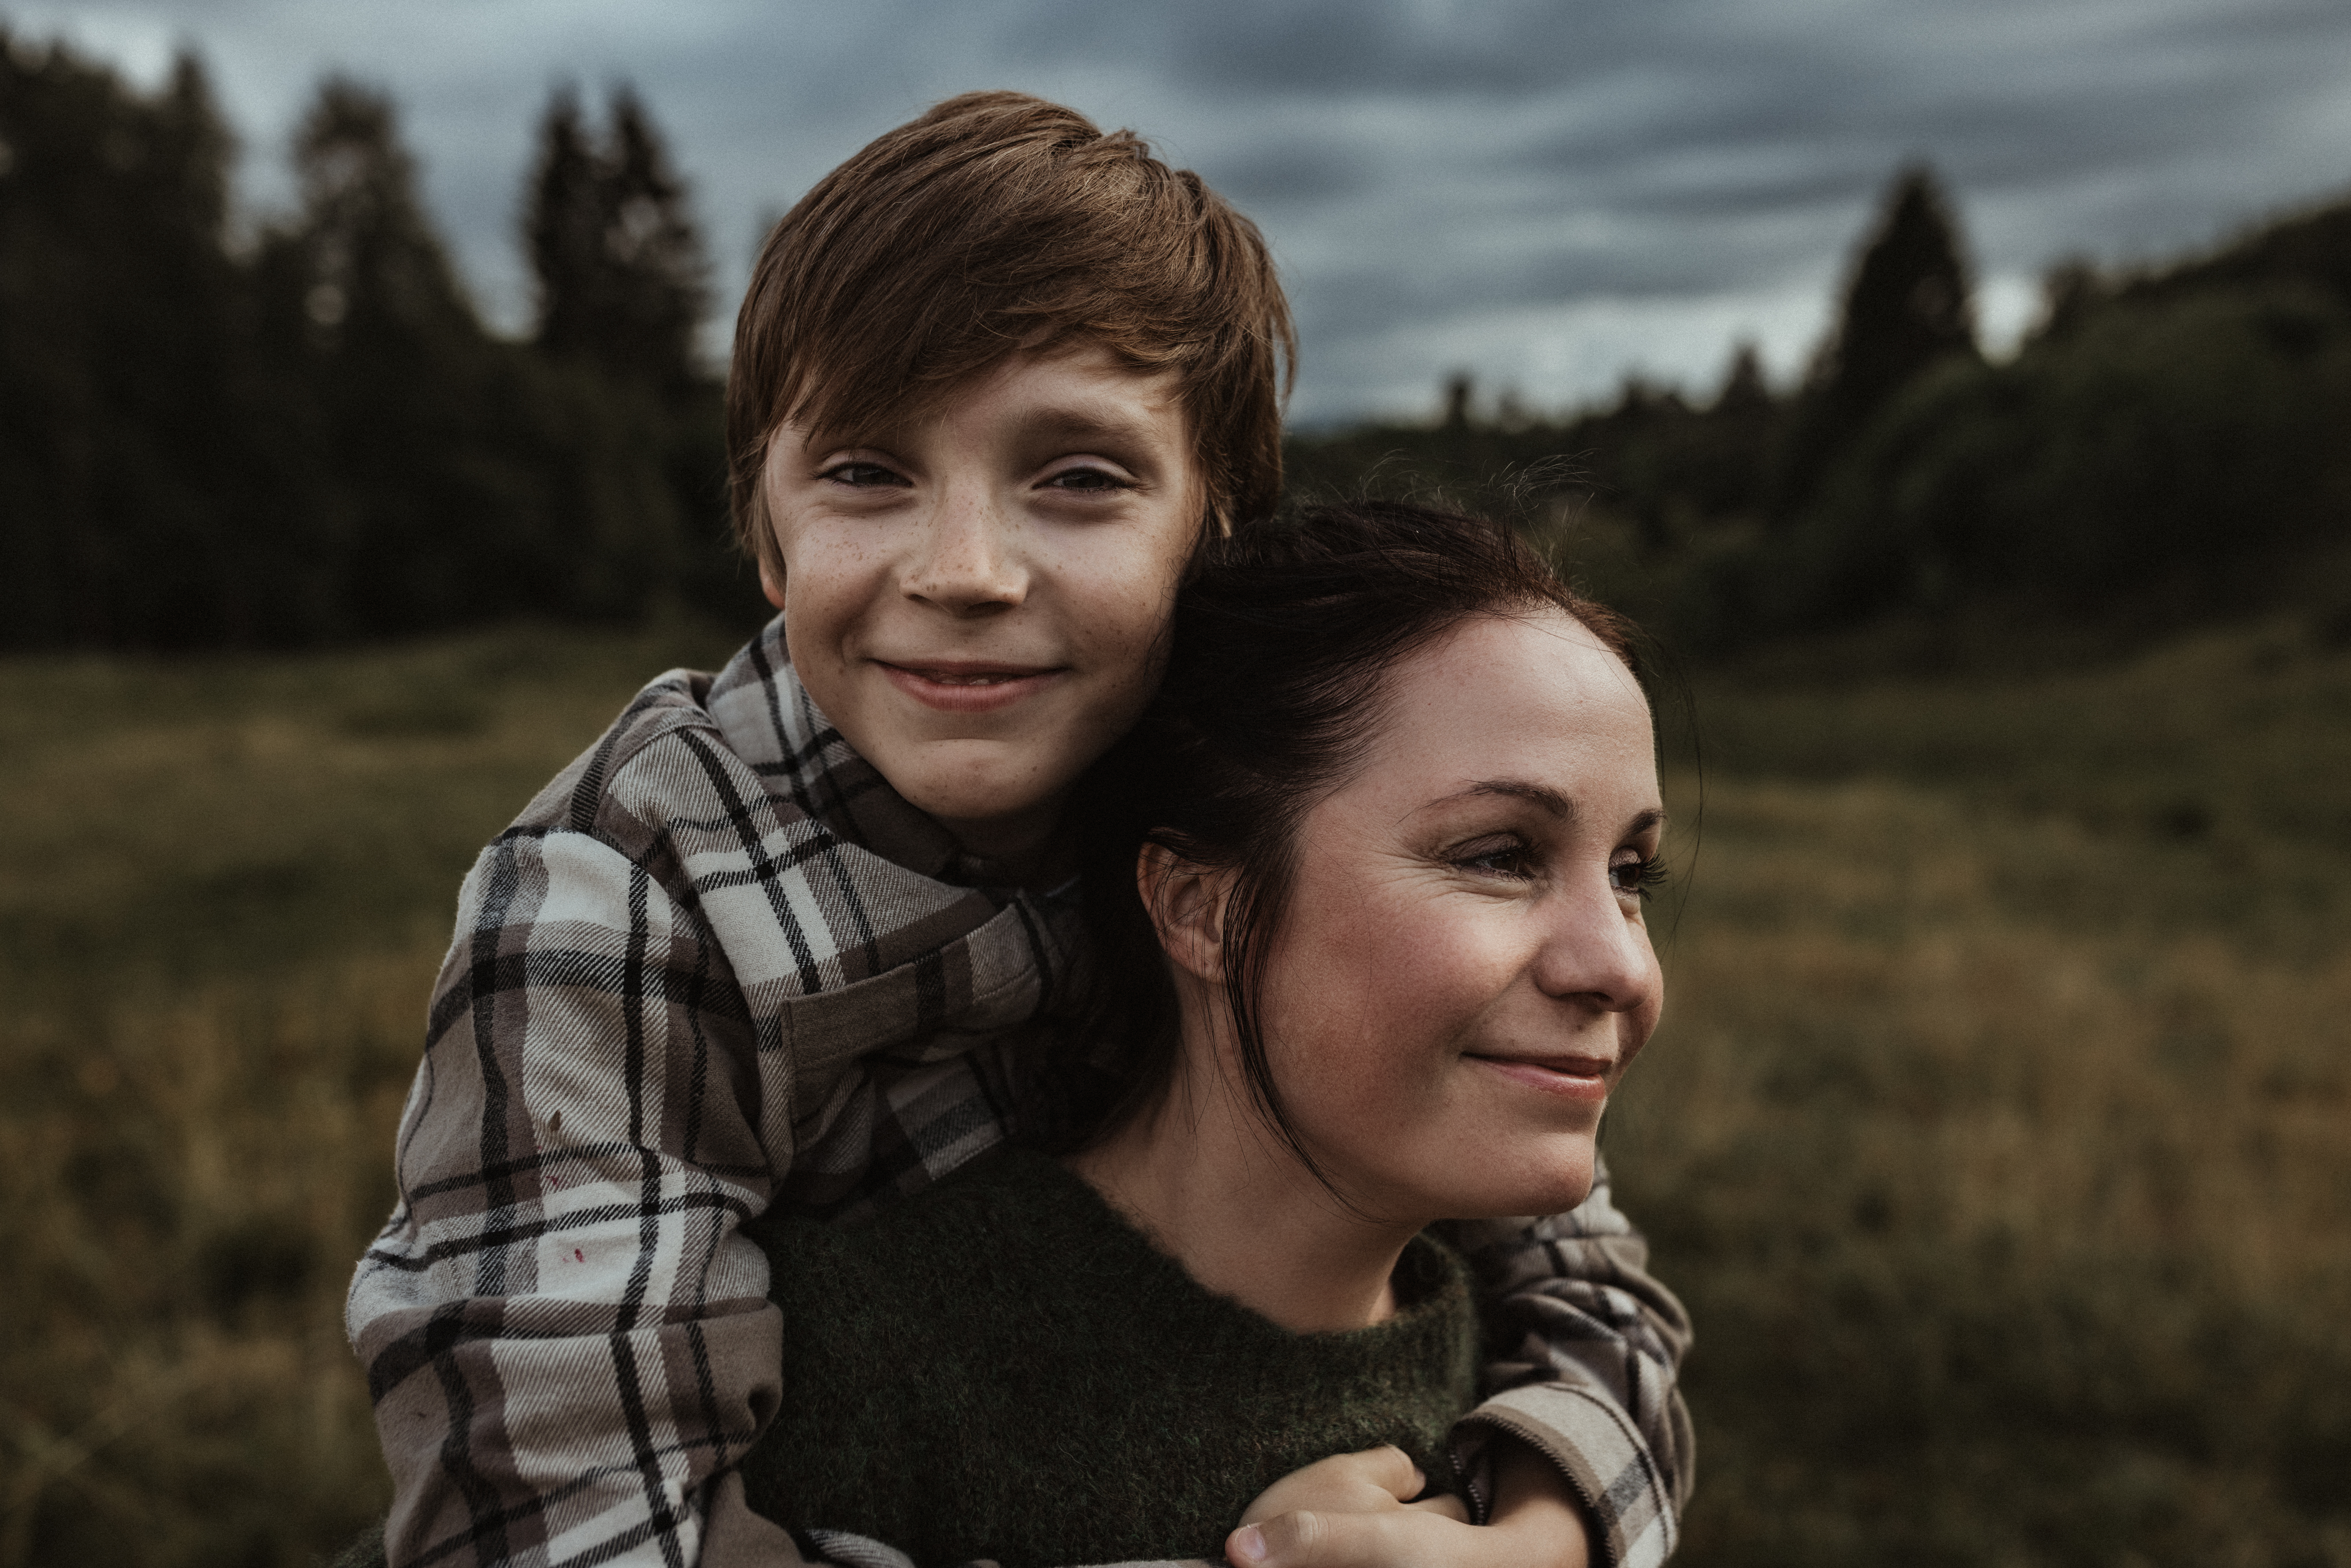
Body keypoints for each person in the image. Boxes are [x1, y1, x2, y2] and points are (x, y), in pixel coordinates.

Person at [345, 93, 1691, 1568]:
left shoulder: (1236, 785)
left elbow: (1580, 1270)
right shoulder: (624, 895)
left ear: (1214, 526)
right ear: (764, 528)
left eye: (1079, 478)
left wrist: (1549, 1532)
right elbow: (557, 1531)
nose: (966, 570)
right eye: (865, 472)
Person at [732, 500, 1671, 1568]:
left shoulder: (1528, 1357)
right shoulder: (854, 1366)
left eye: (1632, 875)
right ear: (1199, 908)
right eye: (1500, 855)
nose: (1622, 968)